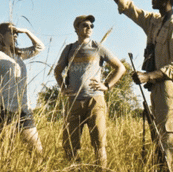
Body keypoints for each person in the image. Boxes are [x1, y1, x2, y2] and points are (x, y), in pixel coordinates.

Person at [90, 0, 173, 172]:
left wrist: (147, 75)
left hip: (170, 90)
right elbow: (128, 7)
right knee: (160, 138)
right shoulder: (154, 21)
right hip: (155, 89)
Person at [53, 14, 125, 167]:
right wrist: (63, 88)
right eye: (85, 25)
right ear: (76, 28)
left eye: (91, 26)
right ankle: (74, 169)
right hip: (74, 101)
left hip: (94, 100)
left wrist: (107, 86)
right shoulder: (69, 49)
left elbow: (120, 67)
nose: (89, 28)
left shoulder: (97, 47)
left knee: (99, 144)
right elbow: (57, 71)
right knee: (70, 145)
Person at [0, 22, 45, 155]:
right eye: (12, 32)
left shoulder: (18, 54)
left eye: (16, 33)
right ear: (1, 36)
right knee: (8, 154)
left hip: (24, 109)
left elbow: (40, 47)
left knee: (38, 153)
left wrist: (25, 31)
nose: (16, 35)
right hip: (5, 110)